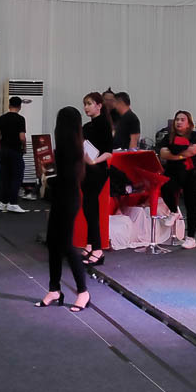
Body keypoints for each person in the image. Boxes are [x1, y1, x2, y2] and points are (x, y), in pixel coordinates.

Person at [35, 106, 91, 313]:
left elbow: (63, 179)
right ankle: (54, 289)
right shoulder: (68, 148)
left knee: (66, 245)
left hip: (67, 199)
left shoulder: (70, 149)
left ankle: (83, 292)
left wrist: (47, 176)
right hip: (63, 198)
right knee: (53, 243)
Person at [159, 110, 196, 249]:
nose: (179, 122)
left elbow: (193, 150)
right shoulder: (168, 137)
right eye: (177, 119)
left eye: (182, 119)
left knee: (191, 205)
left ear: (189, 123)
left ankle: (191, 238)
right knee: (165, 187)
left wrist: (176, 154)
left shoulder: (194, 135)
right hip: (173, 172)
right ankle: (174, 211)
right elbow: (163, 153)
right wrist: (181, 155)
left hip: (191, 173)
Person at [80, 92, 114, 265]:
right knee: (88, 208)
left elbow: (109, 152)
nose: (86, 107)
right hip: (86, 170)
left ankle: (98, 249)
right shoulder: (87, 126)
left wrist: (94, 161)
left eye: (89, 103)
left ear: (99, 105)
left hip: (98, 170)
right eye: (85, 104)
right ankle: (90, 244)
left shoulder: (104, 125)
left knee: (91, 209)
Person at [0, 96, 27, 214]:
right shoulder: (20, 119)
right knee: (16, 176)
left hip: (4, 150)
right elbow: (22, 137)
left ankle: (3, 203)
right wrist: (24, 147)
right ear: (20, 106)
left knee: (5, 176)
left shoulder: (1, 118)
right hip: (15, 151)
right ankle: (13, 203)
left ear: (9, 105)